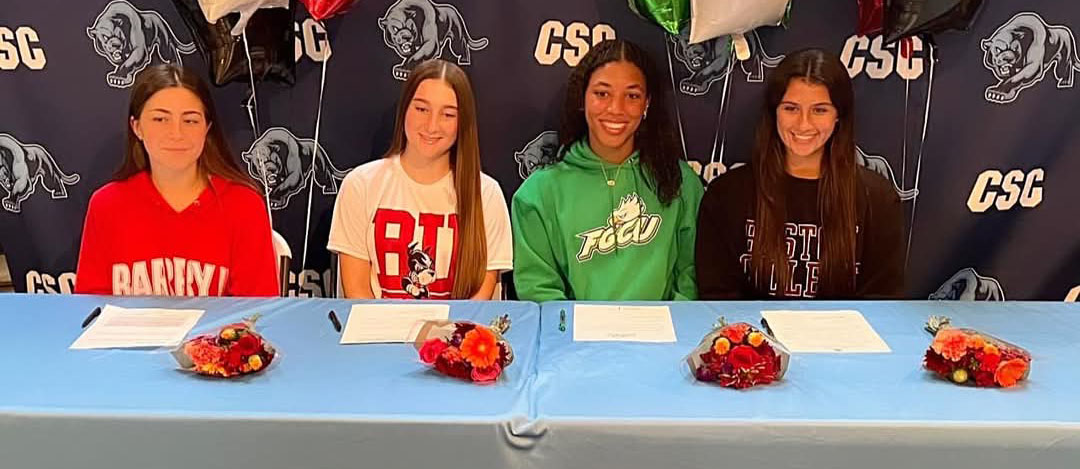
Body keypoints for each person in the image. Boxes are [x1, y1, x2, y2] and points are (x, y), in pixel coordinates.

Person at [695, 48, 905, 299]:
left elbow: (882, 300)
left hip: (843, 338)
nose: (804, 124)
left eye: (820, 110)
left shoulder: (877, 199)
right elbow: (718, 297)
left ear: (839, 116)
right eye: (791, 108)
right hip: (753, 337)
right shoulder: (727, 195)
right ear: (774, 112)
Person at [511, 39, 702, 302]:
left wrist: (671, 336)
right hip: (575, 341)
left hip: (665, 340)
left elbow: (691, 278)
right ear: (583, 98)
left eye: (632, 96)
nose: (616, 109)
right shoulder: (538, 193)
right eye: (602, 94)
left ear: (647, 103)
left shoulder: (681, 183)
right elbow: (538, 288)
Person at [75, 64, 278, 297]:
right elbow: (91, 307)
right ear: (137, 127)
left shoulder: (243, 205)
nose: (177, 134)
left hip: (213, 335)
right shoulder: (106, 205)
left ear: (207, 128)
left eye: (190, 121)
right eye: (161, 119)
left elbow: (256, 311)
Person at [328, 60, 512, 299]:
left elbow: (480, 299)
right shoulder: (361, 185)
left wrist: (444, 336)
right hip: (378, 334)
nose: (432, 125)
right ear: (405, 109)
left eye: (447, 114)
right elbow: (356, 290)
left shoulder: (486, 194)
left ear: (462, 123)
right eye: (421, 109)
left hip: (455, 335)